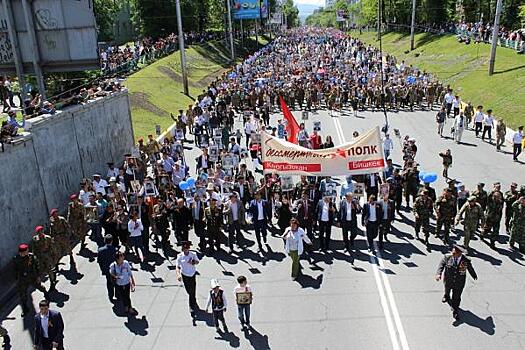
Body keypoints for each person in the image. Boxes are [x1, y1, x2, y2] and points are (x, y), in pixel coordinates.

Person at [435, 245, 477, 320]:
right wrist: (439, 274)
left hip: (459, 282)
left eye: (455, 254)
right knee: (447, 290)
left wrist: (474, 275)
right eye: (452, 252)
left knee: (456, 297)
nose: (453, 254)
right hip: (448, 280)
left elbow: (470, 268)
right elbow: (441, 265)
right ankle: (446, 296)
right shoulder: (447, 257)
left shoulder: (465, 260)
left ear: (460, 253)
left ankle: (455, 310)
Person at [14, 244, 48, 316]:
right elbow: (15, 269)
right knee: (23, 294)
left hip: (32, 277)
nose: (27, 252)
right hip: (23, 279)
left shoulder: (31, 256)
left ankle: (45, 292)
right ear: (22, 252)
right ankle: (25, 308)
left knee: (39, 287)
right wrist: (17, 278)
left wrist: (38, 276)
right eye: (26, 251)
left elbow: (37, 266)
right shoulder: (16, 259)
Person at [31, 226, 58, 294]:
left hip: (47, 256)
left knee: (49, 270)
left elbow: (53, 247)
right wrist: (34, 257)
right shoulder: (35, 239)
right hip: (40, 257)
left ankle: (52, 283)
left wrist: (55, 256)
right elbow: (34, 249)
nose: (40, 233)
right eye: (39, 232)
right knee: (42, 271)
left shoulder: (47, 238)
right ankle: (53, 274)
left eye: (41, 231)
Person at [176, 241, 200, 316]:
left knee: (192, 290)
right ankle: (193, 298)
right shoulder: (180, 256)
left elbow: (197, 262)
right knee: (189, 290)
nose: (186, 250)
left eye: (187, 248)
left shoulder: (193, 254)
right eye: (184, 249)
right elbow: (177, 267)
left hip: (192, 274)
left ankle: (191, 306)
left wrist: (192, 262)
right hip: (185, 275)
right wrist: (178, 275)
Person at [97, 234, 117, 303]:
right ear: (112, 241)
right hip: (114, 270)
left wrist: (102, 269)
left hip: (106, 270)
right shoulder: (114, 249)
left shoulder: (100, 250)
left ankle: (110, 295)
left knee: (109, 282)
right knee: (116, 282)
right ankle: (117, 295)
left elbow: (99, 261)